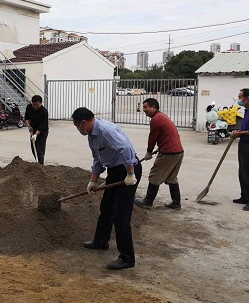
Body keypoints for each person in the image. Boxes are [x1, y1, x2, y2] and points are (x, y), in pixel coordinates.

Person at [72, 107, 142, 270]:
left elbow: (125, 149)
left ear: (83, 123)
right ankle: (101, 241)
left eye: (77, 126)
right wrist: (93, 181)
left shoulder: (105, 130)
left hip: (127, 169)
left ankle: (127, 258)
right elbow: (98, 159)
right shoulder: (92, 136)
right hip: (115, 170)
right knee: (106, 207)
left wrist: (130, 174)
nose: (78, 130)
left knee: (121, 215)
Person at [135, 98, 184, 210]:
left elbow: (153, 137)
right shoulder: (162, 116)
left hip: (169, 153)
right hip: (178, 152)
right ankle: (176, 203)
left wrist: (149, 151)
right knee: (171, 178)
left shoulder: (156, 119)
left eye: (146, 107)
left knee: (154, 175)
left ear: (153, 107)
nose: (144, 110)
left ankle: (147, 201)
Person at [25, 95, 49, 165]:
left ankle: (41, 165)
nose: (35, 106)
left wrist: (36, 135)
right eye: (34, 105)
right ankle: (37, 163)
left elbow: (43, 125)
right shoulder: (29, 107)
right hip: (33, 129)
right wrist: (29, 126)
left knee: (40, 149)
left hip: (42, 131)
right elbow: (26, 118)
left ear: (41, 103)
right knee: (33, 147)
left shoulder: (44, 111)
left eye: (37, 105)